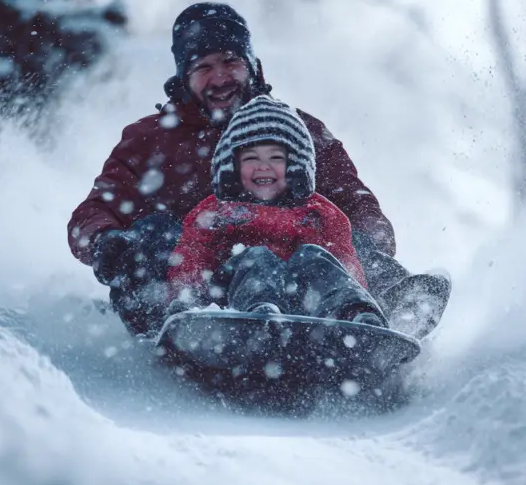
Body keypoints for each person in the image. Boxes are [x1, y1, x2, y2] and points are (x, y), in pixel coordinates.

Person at [67, 2, 410, 335]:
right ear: (184, 77)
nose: (219, 77)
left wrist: (371, 241)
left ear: (251, 65)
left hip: (295, 281)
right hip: (193, 280)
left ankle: (387, 311)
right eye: (203, 67)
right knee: (153, 233)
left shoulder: (294, 131)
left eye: (230, 61)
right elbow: (95, 211)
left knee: (344, 237)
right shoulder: (149, 139)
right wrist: (105, 242)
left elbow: (356, 200)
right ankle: (181, 325)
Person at [165, 95, 387, 327]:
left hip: (306, 306)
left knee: (316, 257)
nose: (263, 166)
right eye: (251, 158)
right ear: (234, 166)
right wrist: (186, 298)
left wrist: (355, 289)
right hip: (231, 304)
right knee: (255, 257)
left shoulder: (319, 213)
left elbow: (344, 263)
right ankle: (260, 313)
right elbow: (192, 258)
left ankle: (356, 315)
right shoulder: (216, 212)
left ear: (294, 165)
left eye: (275, 157)